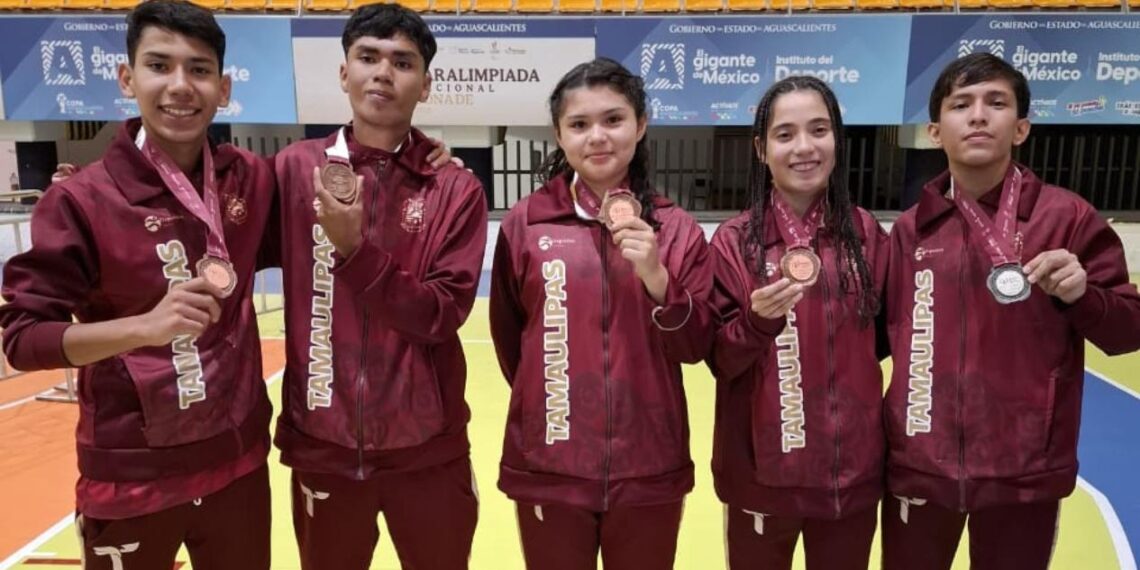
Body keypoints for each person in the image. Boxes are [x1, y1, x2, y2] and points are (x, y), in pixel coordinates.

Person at [0, 1, 274, 568]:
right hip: (132, 476)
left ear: (223, 89)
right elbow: (23, 339)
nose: (180, 85)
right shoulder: (82, 201)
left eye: (199, 69)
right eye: (159, 65)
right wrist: (143, 328)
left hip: (238, 464)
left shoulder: (248, 180)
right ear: (127, 78)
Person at [882, 52, 1140, 570]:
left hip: (1024, 470)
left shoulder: (1067, 218)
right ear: (935, 132)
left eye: (996, 103)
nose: (978, 116)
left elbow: (1127, 331)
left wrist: (1084, 295)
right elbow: (874, 337)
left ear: (1021, 128)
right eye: (961, 105)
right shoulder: (910, 230)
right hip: (920, 466)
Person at [270, 4, 487, 569]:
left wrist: (354, 252)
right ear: (345, 73)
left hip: (427, 449)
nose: (383, 73)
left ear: (426, 84)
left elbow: (440, 314)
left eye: (403, 62)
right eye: (368, 58)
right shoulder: (293, 170)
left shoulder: (453, 189)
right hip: (324, 446)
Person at [488, 57, 714, 570]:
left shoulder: (676, 229)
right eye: (579, 124)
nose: (597, 136)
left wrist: (658, 278)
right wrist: (548, 403)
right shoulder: (526, 223)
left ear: (641, 124)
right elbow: (510, 338)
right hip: (550, 463)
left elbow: (697, 346)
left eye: (613, 119)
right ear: (559, 134)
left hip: (649, 465)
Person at [708, 76, 889, 570]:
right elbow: (720, 359)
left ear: (837, 140)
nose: (804, 147)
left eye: (819, 130)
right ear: (761, 149)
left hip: (849, 475)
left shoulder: (867, 235)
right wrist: (756, 323)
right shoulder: (734, 242)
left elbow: (882, 339)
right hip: (761, 475)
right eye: (785, 134)